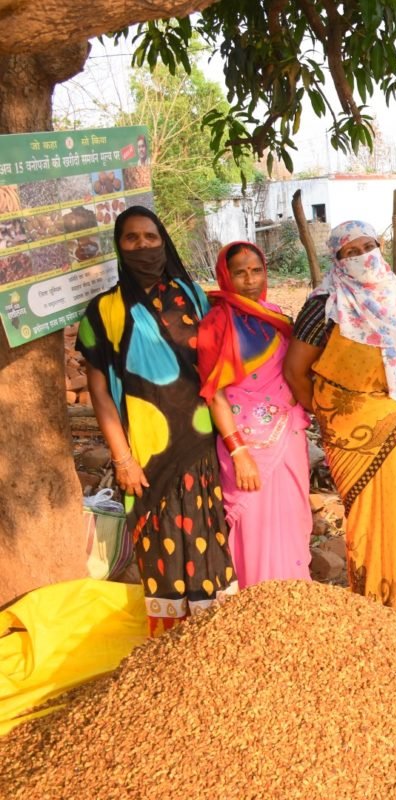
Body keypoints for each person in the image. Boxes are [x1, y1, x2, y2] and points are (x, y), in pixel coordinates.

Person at [77, 206, 236, 635]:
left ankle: (212, 645)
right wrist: (122, 458)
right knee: (161, 551)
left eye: (150, 237)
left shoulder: (193, 298)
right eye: (132, 239)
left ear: (163, 241)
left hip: (202, 447)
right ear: (119, 246)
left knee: (210, 549)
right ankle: (168, 653)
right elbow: (100, 394)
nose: (143, 246)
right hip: (147, 456)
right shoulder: (104, 312)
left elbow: (219, 371)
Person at [283, 220, 396, 623]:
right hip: (354, 437)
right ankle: (377, 608)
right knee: (371, 521)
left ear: (380, 246)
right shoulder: (325, 305)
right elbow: (295, 372)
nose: (361, 257)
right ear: (337, 261)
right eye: (349, 252)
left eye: (368, 246)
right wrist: (331, 420)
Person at [197, 241, 313, 587]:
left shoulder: (275, 316)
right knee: (256, 527)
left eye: (256, 270)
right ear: (225, 276)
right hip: (247, 447)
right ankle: (258, 604)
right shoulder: (217, 323)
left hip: (288, 437)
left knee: (293, 520)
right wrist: (239, 452)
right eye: (240, 272)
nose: (249, 279)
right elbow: (214, 394)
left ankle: (296, 598)